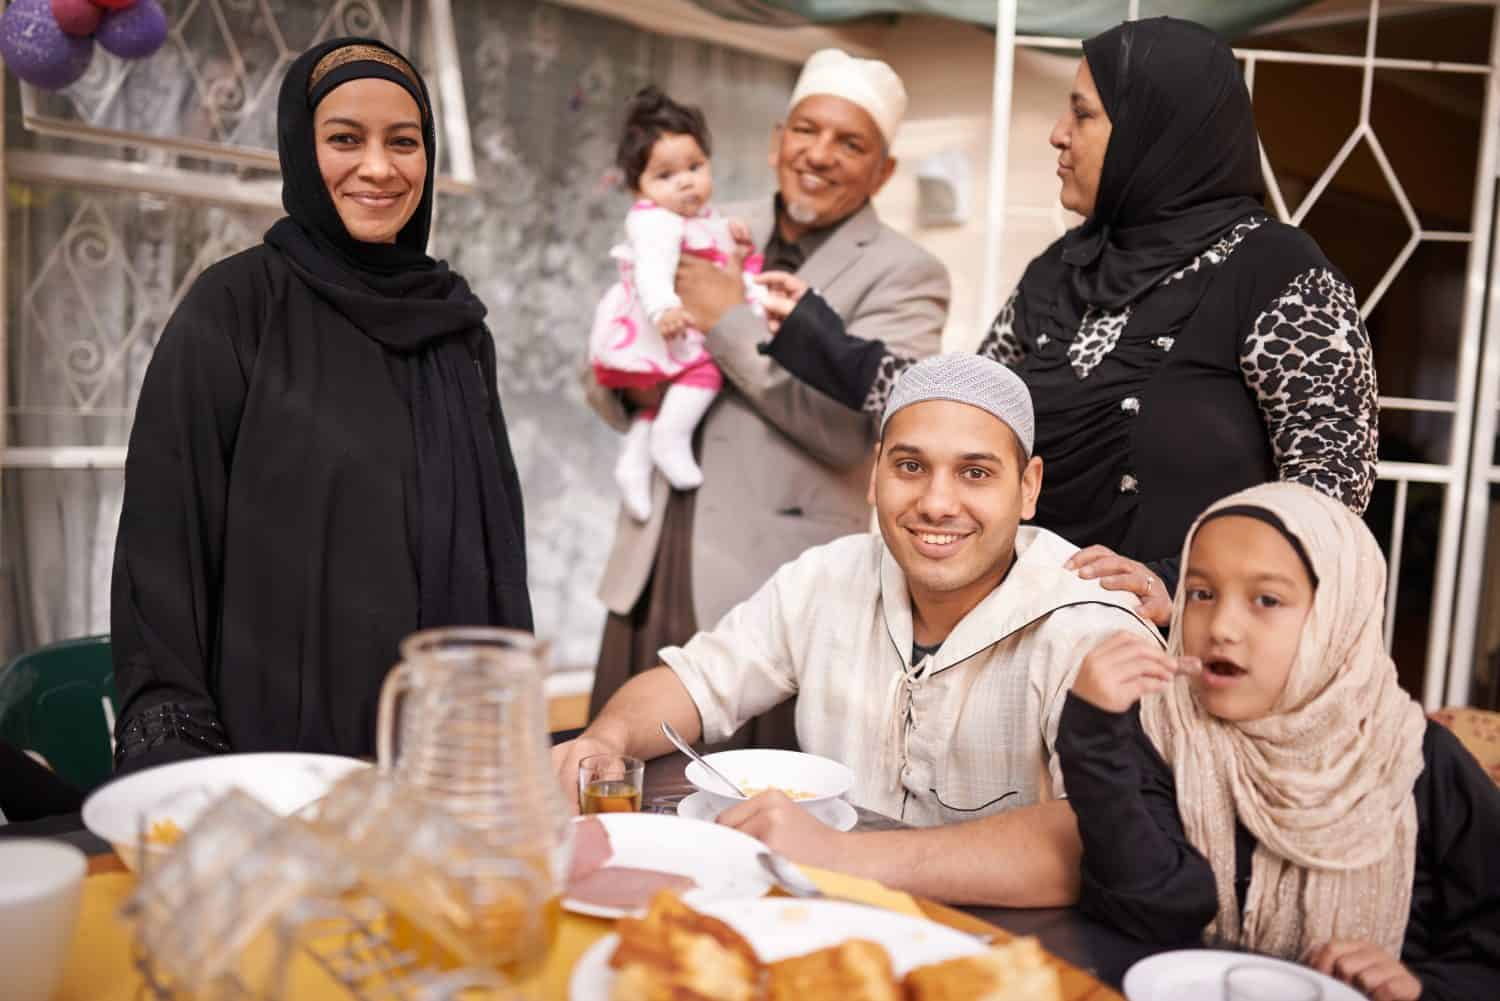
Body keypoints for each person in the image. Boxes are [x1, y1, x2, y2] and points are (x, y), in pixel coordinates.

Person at [756, 17, 1377, 627]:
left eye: (1082, 114)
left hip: (1187, 660)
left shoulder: (1274, 270)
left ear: (1152, 131)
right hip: (1033, 641)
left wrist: (1184, 585)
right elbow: (967, 410)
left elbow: (1332, 490)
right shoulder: (1059, 271)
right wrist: (812, 333)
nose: (1058, 134)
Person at [558, 355, 1162, 906]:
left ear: (1028, 487)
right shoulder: (828, 576)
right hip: (826, 924)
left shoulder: (1093, 625)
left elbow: (1104, 843)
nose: (936, 503)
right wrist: (606, 741)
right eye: (910, 466)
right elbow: (694, 682)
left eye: (975, 473)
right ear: (875, 475)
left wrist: (838, 856)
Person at [110, 38, 532, 773]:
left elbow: (498, 560)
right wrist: (182, 761)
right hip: (271, 765)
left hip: (438, 768)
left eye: (403, 142)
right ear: (301, 152)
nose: (378, 167)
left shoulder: (456, 331)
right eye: (345, 139)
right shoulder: (236, 308)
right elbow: (164, 546)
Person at [585, 48, 949, 746]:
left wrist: (726, 321)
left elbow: (855, 433)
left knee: (745, 812)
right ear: (778, 137)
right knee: (620, 782)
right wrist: (631, 379)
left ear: (885, 169)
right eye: (806, 130)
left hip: (771, 589)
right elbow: (607, 371)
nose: (819, 154)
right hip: (655, 555)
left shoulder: (908, 275)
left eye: (851, 142)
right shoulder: (705, 217)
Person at [1057, 482, 1500, 1001]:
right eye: (1201, 594)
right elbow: (1159, 907)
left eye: (1266, 599)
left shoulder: (1421, 760)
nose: (1221, 627)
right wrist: (1091, 737)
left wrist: (1421, 988)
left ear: (1339, 617)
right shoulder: (1157, 731)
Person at [590, 86, 766, 523]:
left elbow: (725, 266)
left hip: (674, 325)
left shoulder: (699, 217)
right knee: (705, 372)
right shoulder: (656, 223)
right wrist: (663, 308)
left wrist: (738, 244)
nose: (686, 180)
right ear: (639, 190)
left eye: (695, 166)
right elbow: (652, 269)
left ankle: (633, 462)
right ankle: (671, 438)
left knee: (656, 400)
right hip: (664, 323)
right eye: (666, 175)